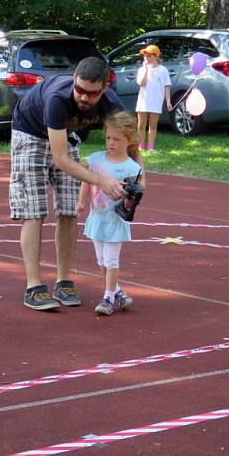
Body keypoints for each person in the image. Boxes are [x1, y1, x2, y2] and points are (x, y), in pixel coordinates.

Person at [9, 56, 143, 311]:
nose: (83, 97)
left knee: (69, 209)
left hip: (64, 135)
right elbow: (60, 158)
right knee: (34, 212)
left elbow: (130, 141)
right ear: (74, 81)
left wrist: (140, 179)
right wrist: (101, 180)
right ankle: (34, 286)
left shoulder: (110, 104)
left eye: (91, 93)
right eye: (79, 89)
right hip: (29, 133)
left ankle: (64, 281)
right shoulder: (57, 99)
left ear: (104, 89)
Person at [76, 111, 145, 315]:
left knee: (111, 260)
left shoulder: (131, 167)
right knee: (101, 260)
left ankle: (108, 298)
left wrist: (129, 196)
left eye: (116, 139)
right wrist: (81, 201)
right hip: (97, 217)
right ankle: (118, 292)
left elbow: (134, 193)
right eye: (108, 138)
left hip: (115, 219)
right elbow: (87, 179)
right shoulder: (96, 159)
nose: (111, 143)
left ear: (129, 140)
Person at [135, 45, 172, 152]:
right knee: (141, 124)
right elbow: (141, 83)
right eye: (145, 56)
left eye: (149, 56)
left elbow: (167, 86)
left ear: (156, 57)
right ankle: (140, 146)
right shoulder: (142, 69)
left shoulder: (163, 70)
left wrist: (168, 100)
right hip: (143, 101)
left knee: (153, 124)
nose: (146, 58)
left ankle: (151, 147)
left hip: (156, 101)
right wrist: (146, 70)